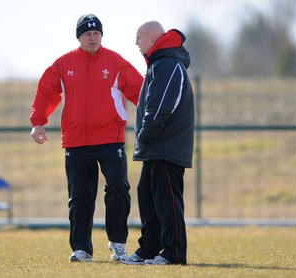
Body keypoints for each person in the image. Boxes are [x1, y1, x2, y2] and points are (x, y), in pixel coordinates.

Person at [30, 14, 143, 262]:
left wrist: (154, 119)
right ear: (79, 37)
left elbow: (139, 91)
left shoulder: (117, 62)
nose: (92, 38)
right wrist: (38, 123)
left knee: (117, 187)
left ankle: (117, 244)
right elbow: (46, 93)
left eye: (96, 34)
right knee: (80, 197)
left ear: (101, 36)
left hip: (110, 139)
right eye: (87, 34)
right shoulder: (63, 64)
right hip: (76, 141)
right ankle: (81, 249)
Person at [120, 21, 194, 265]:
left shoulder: (168, 64)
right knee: (147, 196)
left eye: (139, 38)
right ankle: (149, 249)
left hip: (166, 147)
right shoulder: (158, 64)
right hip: (154, 146)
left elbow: (162, 106)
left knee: (168, 200)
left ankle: (174, 253)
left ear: (152, 39)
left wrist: (145, 134)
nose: (136, 43)